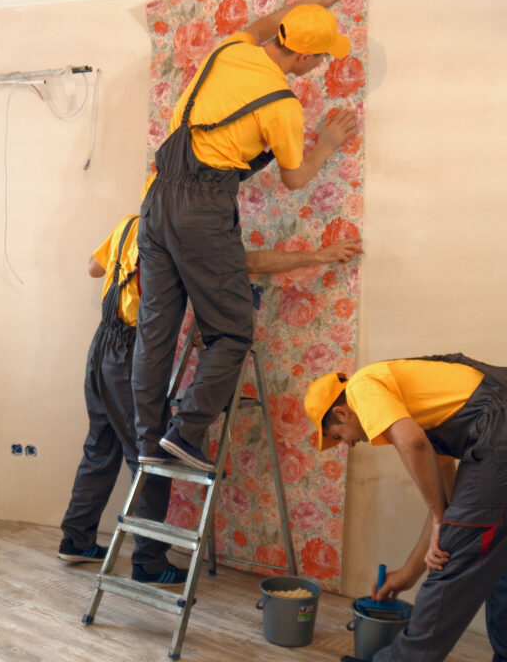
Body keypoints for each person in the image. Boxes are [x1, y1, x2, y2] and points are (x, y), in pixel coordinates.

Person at [133, 0, 359, 474]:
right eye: (322, 57)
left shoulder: (229, 50)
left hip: (157, 198)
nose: (322, 64)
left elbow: (262, 25)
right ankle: (185, 433)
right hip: (201, 209)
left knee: (156, 333)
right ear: (304, 57)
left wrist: (308, 2)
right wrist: (326, 143)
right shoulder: (283, 104)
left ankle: (148, 444)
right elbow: (294, 179)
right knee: (232, 332)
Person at [59, 212, 361, 587]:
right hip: (131, 352)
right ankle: (148, 562)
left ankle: (76, 538)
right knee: (150, 456)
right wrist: (320, 255)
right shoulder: (182, 233)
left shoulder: (131, 223)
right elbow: (250, 262)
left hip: (102, 344)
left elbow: (94, 268)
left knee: (100, 447)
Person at [304, 354, 507, 662]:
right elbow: (450, 505)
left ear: (342, 413)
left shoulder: (362, 385)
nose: (347, 444)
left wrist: (442, 520)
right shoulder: (428, 409)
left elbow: (413, 445)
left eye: (338, 436)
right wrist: (409, 573)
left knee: (454, 567)